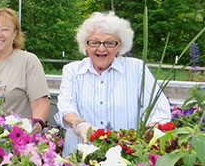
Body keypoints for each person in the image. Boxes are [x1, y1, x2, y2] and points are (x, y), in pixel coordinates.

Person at [56, 11, 171, 157]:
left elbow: (159, 111)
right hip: (79, 159)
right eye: (95, 42)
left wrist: (145, 140)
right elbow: (66, 107)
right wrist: (81, 126)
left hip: (125, 158)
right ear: (86, 45)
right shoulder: (72, 71)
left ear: (120, 46)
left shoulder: (137, 69)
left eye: (110, 43)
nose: (102, 48)